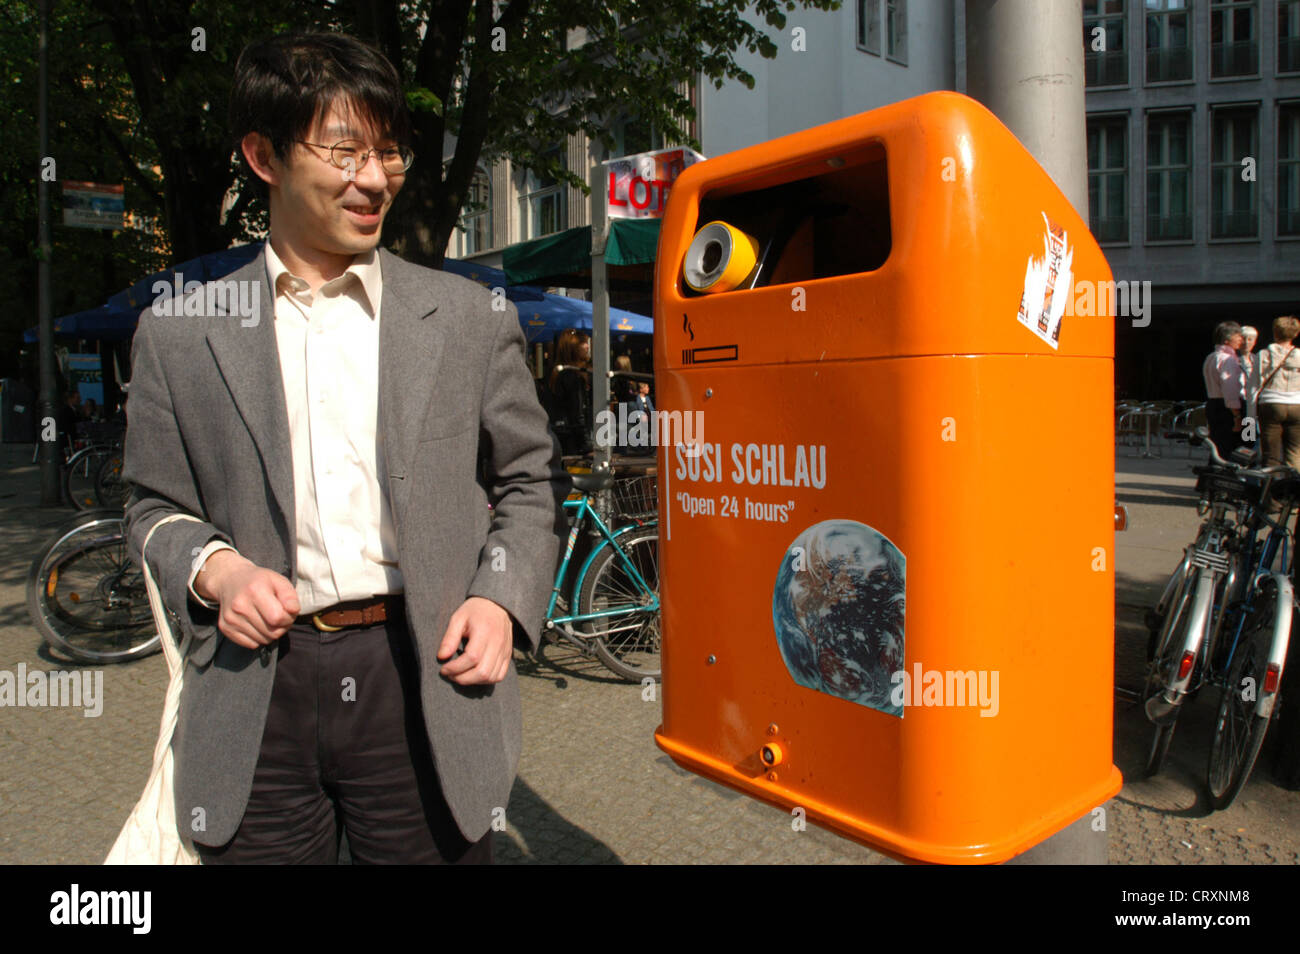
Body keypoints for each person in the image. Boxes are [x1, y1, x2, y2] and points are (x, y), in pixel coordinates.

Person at [121, 32, 568, 864]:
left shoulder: (466, 318)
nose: (374, 179)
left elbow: (530, 478)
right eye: (343, 151)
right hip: (255, 693)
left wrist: (501, 598)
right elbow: (151, 506)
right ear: (263, 156)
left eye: (388, 152)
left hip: (424, 678)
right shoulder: (181, 333)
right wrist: (216, 568)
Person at [1257, 315, 1300, 469]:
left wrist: (1248, 416)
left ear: (1275, 332)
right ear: (1296, 334)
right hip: (1297, 404)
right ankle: (1294, 489)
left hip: (1271, 403)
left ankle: (1271, 490)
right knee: (1295, 453)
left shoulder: (1264, 354)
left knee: (1271, 453)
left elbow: (1254, 383)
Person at [1202, 321, 1245, 460]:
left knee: (1218, 447)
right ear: (1227, 339)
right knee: (1228, 448)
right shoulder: (1228, 359)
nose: (1241, 340)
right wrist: (1237, 416)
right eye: (1238, 336)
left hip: (1214, 404)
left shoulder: (1211, 356)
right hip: (1227, 408)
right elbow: (1229, 389)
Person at [548, 328, 593, 455]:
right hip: (572, 440)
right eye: (584, 343)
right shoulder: (573, 376)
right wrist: (586, 445)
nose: (587, 347)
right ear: (574, 348)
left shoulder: (557, 373)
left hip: (559, 435)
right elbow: (577, 413)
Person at [1240, 325, 1260, 443]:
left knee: (1251, 438)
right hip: (1239, 403)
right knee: (1240, 438)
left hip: (1253, 403)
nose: (1246, 343)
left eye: (1250, 339)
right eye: (1244, 338)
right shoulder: (1232, 359)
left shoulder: (1257, 359)